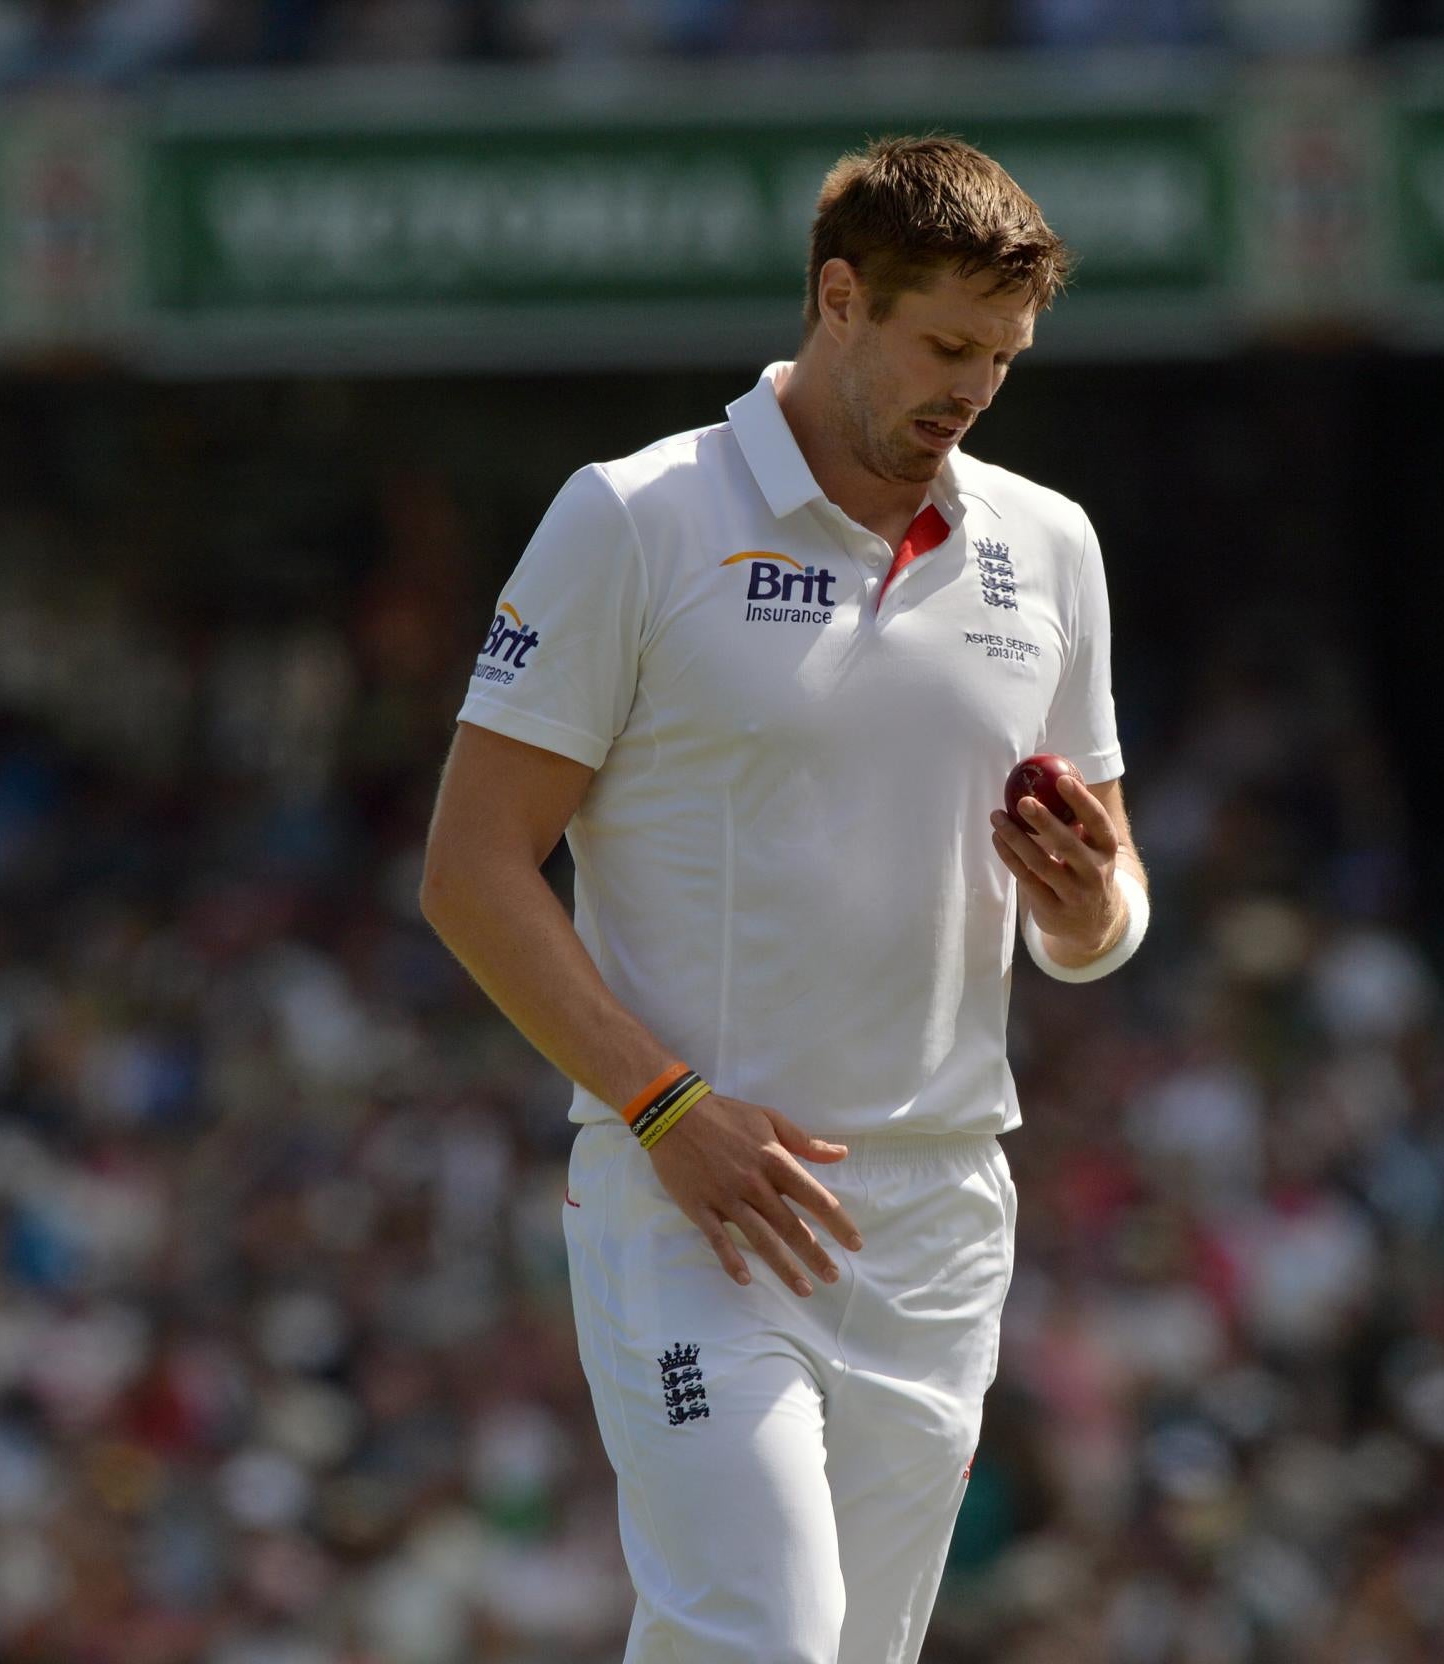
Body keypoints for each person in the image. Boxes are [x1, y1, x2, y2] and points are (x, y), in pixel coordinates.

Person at [419, 135, 1152, 1663]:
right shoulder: (635, 518)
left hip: (942, 1211)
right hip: (698, 1189)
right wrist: (667, 1109)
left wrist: (1090, 905)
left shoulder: (1052, 546)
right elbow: (472, 868)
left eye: (1003, 358)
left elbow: (1100, 921)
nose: (972, 388)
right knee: (764, 1636)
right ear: (838, 298)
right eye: (945, 344)